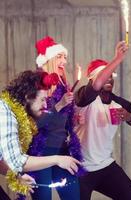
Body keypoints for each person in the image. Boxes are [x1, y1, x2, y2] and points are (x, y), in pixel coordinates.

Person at [75, 51, 131, 199]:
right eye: (105, 75)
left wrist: (130, 117)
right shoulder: (84, 96)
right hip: (81, 168)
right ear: (93, 79)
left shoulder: (120, 103)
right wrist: (117, 59)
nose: (109, 78)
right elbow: (95, 86)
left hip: (105, 165)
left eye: (111, 75)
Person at [0, 70, 81, 196]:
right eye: (42, 99)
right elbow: (18, 161)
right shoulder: (6, 113)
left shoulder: (15, 113)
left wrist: (15, 177)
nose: (45, 104)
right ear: (28, 97)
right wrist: (58, 160)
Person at [27, 36, 84, 200]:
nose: (64, 61)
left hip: (62, 151)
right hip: (41, 154)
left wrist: (73, 119)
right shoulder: (36, 85)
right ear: (49, 59)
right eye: (59, 56)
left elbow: (58, 122)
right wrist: (59, 105)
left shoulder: (62, 85)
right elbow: (34, 125)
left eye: (65, 57)